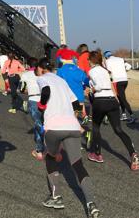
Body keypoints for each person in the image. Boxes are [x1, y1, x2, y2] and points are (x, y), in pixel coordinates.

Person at [35, 58, 100, 218]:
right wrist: (73, 117)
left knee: (50, 158)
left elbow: (46, 92)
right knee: (78, 165)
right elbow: (76, 103)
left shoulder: (42, 78)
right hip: (71, 126)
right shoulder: (62, 81)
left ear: (41, 69)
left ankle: (56, 197)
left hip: (54, 127)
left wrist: (41, 107)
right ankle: (91, 203)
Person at [87, 51, 139, 170]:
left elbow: (99, 85)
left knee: (95, 127)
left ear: (91, 60)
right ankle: (133, 153)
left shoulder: (92, 71)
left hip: (100, 101)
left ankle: (97, 154)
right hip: (112, 101)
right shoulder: (105, 70)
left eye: (88, 60)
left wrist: (92, 89)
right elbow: (110, 84)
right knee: (118, 129)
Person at [21, 58, 44, 160]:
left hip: (33, 99)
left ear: (28, 65)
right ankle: (43, 146)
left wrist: (27, 90)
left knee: (38, 124)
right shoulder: (42, 73)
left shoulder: (25, 75)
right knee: (41, 123)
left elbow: (21, 89)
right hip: (44, 99)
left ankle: (40, 149)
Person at [103, 51, 135, 123]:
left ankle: (132, 115)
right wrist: (123, 71)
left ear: (105, 56)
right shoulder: (120, 59)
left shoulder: (107, 61)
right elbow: (129, 67)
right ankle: (123, 115)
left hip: (117, 81)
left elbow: (108, 71)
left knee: (121, 99)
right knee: (121, 97)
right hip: (125, 80)